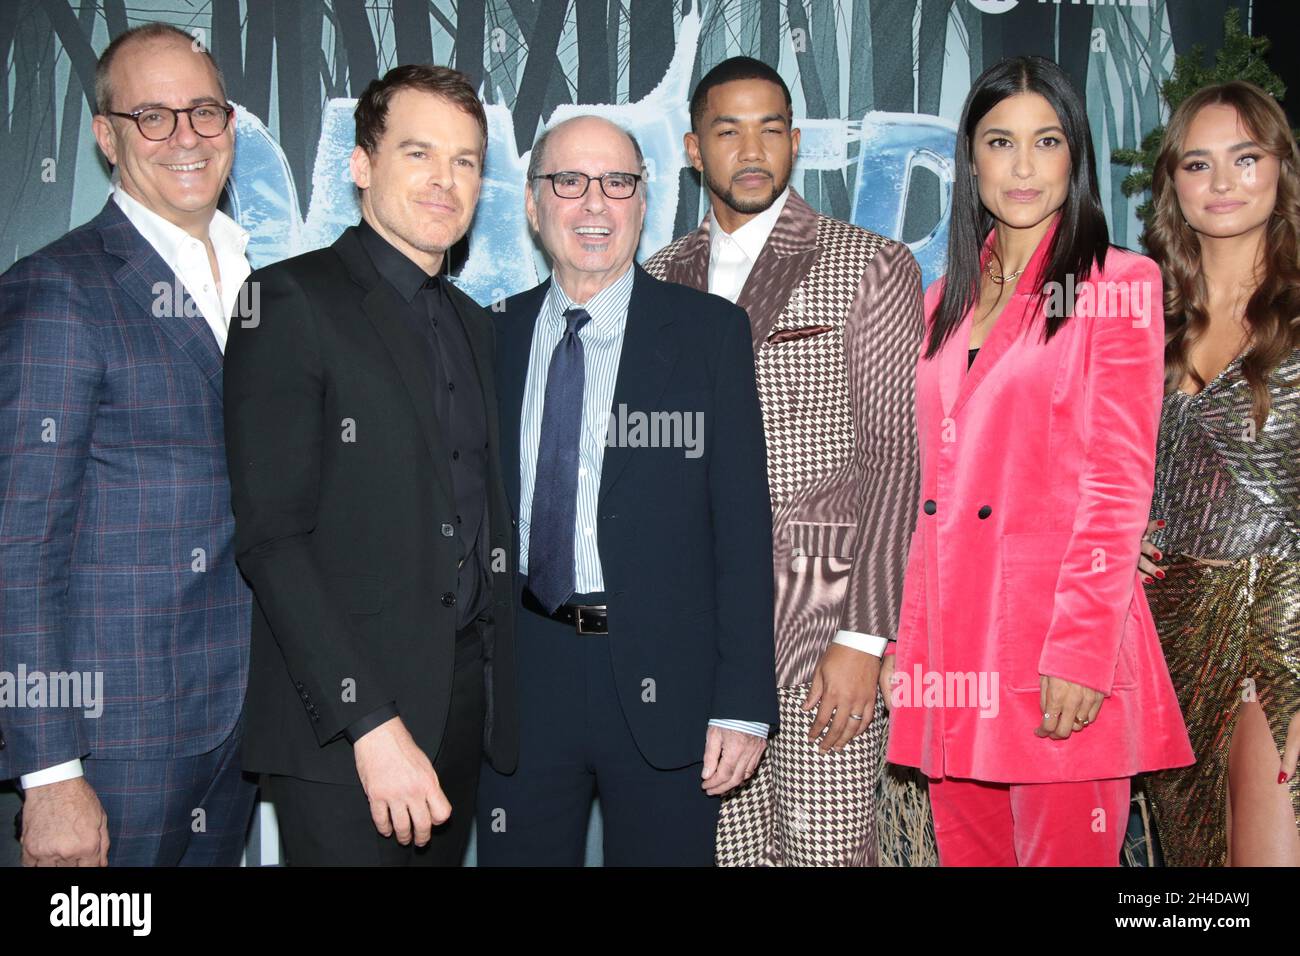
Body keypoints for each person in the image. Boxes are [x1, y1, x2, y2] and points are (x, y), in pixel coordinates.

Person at [878, 55, 1194, 866]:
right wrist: (906, 649)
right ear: (971, 160)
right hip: (955, 651)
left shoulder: (1116, 285)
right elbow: (928, 491)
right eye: (1000, 142)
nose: (1022, 167)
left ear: (1073, 155)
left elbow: (1118, 482)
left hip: (1051, 645)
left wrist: (1081, 654)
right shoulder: (939, 299)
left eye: (1046, 141)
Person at [222, 65, 517, 866]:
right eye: (419, 153)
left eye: (464, 160)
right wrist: (371, 725)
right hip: (346, 727)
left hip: (462, 707)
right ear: (361, 164)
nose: (445, 181)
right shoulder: (287, 301)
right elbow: (271, 541)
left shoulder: (471, 322)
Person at [644, 57, 924, 866]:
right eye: (728, 130)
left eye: (771, 128)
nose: (752, 148)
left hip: (821, 624)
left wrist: (864, 639)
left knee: (828, 853)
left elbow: (893, 461)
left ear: (797, 142)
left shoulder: (867, 263)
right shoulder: (658, 276)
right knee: (722, 855)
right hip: (700, 640)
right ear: (694, 149)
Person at [475, 115, 776, 866]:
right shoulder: (488, 336)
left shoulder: (709, 334)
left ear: (645, 202)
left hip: (664, 677)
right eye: (568, 182)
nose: (595, 205)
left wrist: (744, 701)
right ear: (533, 203)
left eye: (618, 183)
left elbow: (741, 529)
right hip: (523, 677)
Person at [0, 23, 254, 865]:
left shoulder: (261, 282)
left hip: (242, 725)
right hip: (113, 745)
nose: (186, 136)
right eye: (153, 115)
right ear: (107, 138)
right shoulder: (57, 291)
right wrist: (50, 771)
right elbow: (17, 549)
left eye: (204, 111)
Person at [1137, 80, 1300, 867]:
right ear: (1174, 183)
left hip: (1286, 626)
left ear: (1281, 169)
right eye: (1199, 163)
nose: (1224, 182)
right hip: (1170, 631)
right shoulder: (1145, 319)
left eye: (1247, 157)